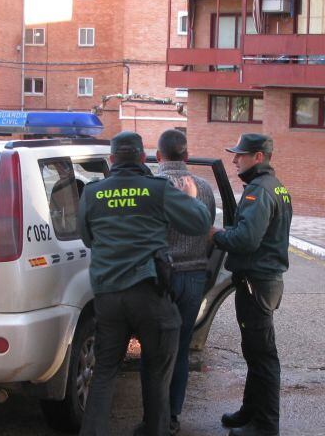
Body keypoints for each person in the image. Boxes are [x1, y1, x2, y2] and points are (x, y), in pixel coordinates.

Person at [78, 131, 212, 436]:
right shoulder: (158, 189)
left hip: (108, 296)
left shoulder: (92, 192)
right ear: (143, 158)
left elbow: (88, 238)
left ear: (112, 160)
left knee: (104, 373)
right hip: (150, 294)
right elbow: (200, 223)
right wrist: (190, 199)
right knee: (155, 373)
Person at [211, 133, 292, 436]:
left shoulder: (260, 191)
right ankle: (250, 412)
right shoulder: (275, 187)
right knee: (254, 353)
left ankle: (265, 426)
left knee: (263, 357)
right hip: (261, 282)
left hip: (256, 284)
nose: (235, 160)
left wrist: (215, 235)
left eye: (240, 155)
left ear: (258, 157)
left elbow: (245, 239)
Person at [153, 129, 216, 435]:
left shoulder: (151, 187)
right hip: (193, 277)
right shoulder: (204, 188)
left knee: (154, 347)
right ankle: (173, 415)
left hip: (158, 277)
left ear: (158, 156)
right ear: (187, 157)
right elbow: (208, 232)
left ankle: (153, 414)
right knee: (179, 348)